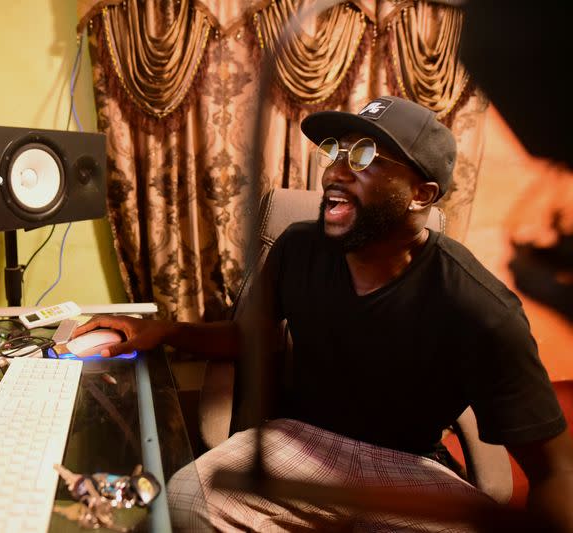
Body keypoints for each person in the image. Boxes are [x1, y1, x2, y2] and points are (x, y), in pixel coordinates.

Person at [74, 96, 573, 531]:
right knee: (186, 501)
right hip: (302, 440)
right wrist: (160, 331)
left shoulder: (480, 307)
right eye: (335, 151)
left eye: (365, 156)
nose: (334, 170)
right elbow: (253, 337)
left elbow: (554, 472)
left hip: (406, 465)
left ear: (421, 195)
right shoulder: (299, 246)